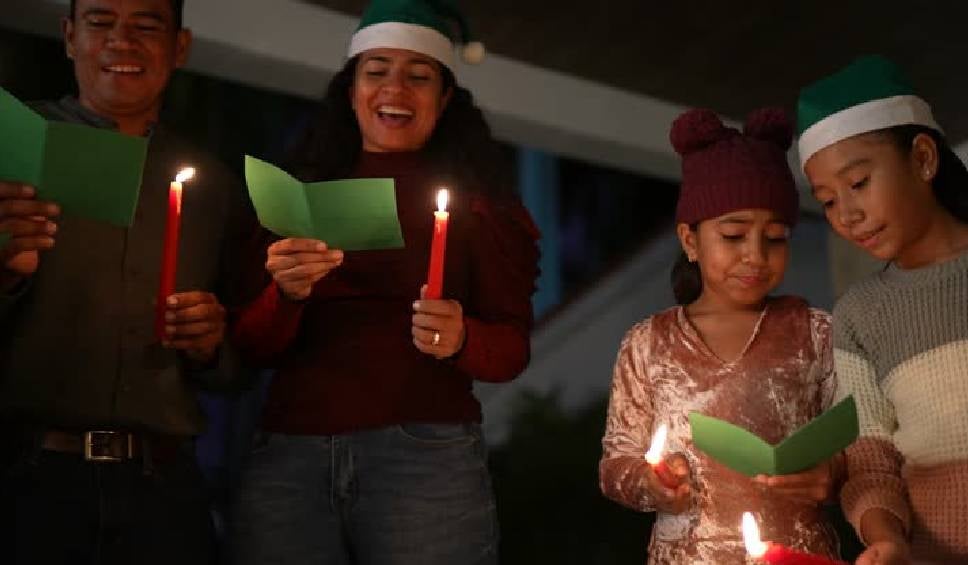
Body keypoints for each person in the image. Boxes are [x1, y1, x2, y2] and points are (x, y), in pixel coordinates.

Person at [228, 0, 539, 563]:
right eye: (376, 72)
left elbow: (511, 349)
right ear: (350, 90)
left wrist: (463, 337)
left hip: (426, 459)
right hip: (290, 457)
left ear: (444, 99)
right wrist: (287, 296)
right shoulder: (293, 195)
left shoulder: (479, 205)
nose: (395, 88)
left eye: (418, 76)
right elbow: (249, 346)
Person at [0, 0, 257, 563]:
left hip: (162, 491)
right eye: (99, 22)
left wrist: (213, 343)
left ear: (180, 47)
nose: (123, 41)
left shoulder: (210, 184)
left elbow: (240, 362)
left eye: (146, 26)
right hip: (27, 482)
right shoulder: (12, 150)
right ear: (69, 36)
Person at [600, 107, 843, 564]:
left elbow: (862, 449)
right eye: (733, 236)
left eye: (775, 237)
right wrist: (651, 485)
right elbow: (616, 464)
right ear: (690, 241)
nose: (755, 255)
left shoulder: (815, 332)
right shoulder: (648, 344)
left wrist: (833, 473)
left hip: (796, 554)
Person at [797, 55, 968, 564]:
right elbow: (871, 460)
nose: (847, 214)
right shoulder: (860, 316)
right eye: (826, 200)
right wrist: (885, 538)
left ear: (923, 159)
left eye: (859, 182)